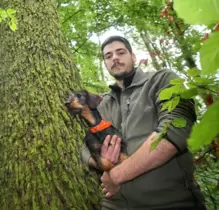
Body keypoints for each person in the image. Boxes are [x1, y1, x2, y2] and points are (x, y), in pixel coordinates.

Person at [80, 36, 206, 210]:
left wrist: (116, 175)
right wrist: (103, 162)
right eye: (108, 56)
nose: (114, 58)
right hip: (113, 205)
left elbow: (175, 130)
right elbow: (85, 149)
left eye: (120, 52)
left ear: (133, 56)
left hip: (171, 203)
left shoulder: (162, 80)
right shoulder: (103, 105)